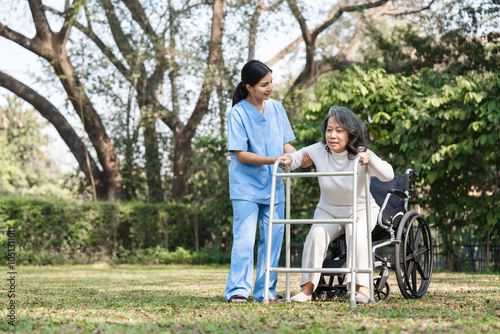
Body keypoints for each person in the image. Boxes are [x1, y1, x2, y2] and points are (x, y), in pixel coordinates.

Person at [279, 106, 394, 304]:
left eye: (339, 130)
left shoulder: (361, 153)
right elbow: (296, 159)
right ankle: (306, 291)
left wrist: (370, 159)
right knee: (315, 235)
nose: (332, 135)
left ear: (351, 133)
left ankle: (363, 289)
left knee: (356, 234)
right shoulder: (318, 150)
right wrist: (288, 159)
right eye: (329, 129)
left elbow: (388, 175)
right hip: (328, 210)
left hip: (359, 210)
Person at [224, 60, 310, 303]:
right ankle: (238, 291)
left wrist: (299, 156)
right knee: (245, 239)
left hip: (273, 184)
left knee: (273, 238)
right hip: (245, 187)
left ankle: (266, 291)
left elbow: (285, 144)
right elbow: (240, 154)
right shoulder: (238, 113)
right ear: (248, 86)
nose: (270, 87)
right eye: (264, 84)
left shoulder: (277, 108)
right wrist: (274, 159)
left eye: (271, 82)